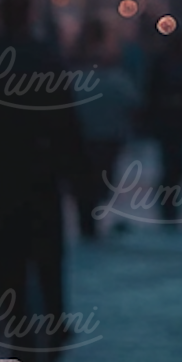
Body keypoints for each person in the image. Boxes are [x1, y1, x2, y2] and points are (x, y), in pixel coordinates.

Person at [0, 0, 81, 362]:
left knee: (1, 251)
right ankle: (55, 324)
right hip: (40, 170)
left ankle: (10, 318)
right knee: (47, 253)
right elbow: (66, 119)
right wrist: (77, 172)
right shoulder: (46, 56)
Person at [67, 16, 138, 238]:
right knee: (98, 178)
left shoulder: (76, 71)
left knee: (88, 180)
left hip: (88, 130)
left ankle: (87, 220)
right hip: (104, 132)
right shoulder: (111, 72)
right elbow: (132, 101)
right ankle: (90, 219)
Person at [144, 22, 182, 224]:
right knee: (171, 164)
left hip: (177, 120)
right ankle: (168, 204)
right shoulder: (167, 62)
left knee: (174, 165)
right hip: (169, 120)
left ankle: (170, 203)